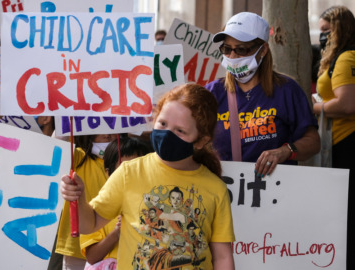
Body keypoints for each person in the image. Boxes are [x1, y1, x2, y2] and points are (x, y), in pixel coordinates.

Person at [61, 84, 236, 270]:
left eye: (180, 131)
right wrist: (78, 198)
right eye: (162, 124)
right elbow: (90, 225)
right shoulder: (129, 172)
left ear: (201, 141)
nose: (167, 133)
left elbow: (222, 257)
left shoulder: (216, 188)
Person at [206, 12, 320, 177]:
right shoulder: (212, 92)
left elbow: (313, 142)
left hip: (275, 192)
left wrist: (286, 151)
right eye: (226, 49)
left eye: (241, 49)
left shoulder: (287, 90)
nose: (232, 56)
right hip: (225, 191)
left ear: (263, 50)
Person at [312, 6, 355, 269]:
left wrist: (313, 107)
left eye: (327, 31)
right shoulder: (337, 58)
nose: (322, 36)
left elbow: (347, 104)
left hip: (347, 143)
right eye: (321, 30)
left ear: (342, 30)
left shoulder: (347, 58)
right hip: (336, 142)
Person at [81, 137, 152, 269]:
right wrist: (117, 232)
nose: (131, 175)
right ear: (109, 173)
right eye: (124, 170)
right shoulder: (96, 209)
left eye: (137, 168)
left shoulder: (156, 206)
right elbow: (92, 257)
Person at [54, 133, 116, 270]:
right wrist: (63, 117)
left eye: (111, 122)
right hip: (76, 248)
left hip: (115, 248)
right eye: (99, 125)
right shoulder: (77, 156)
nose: (107, 133)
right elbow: (54, 146)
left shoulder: (127, 161)